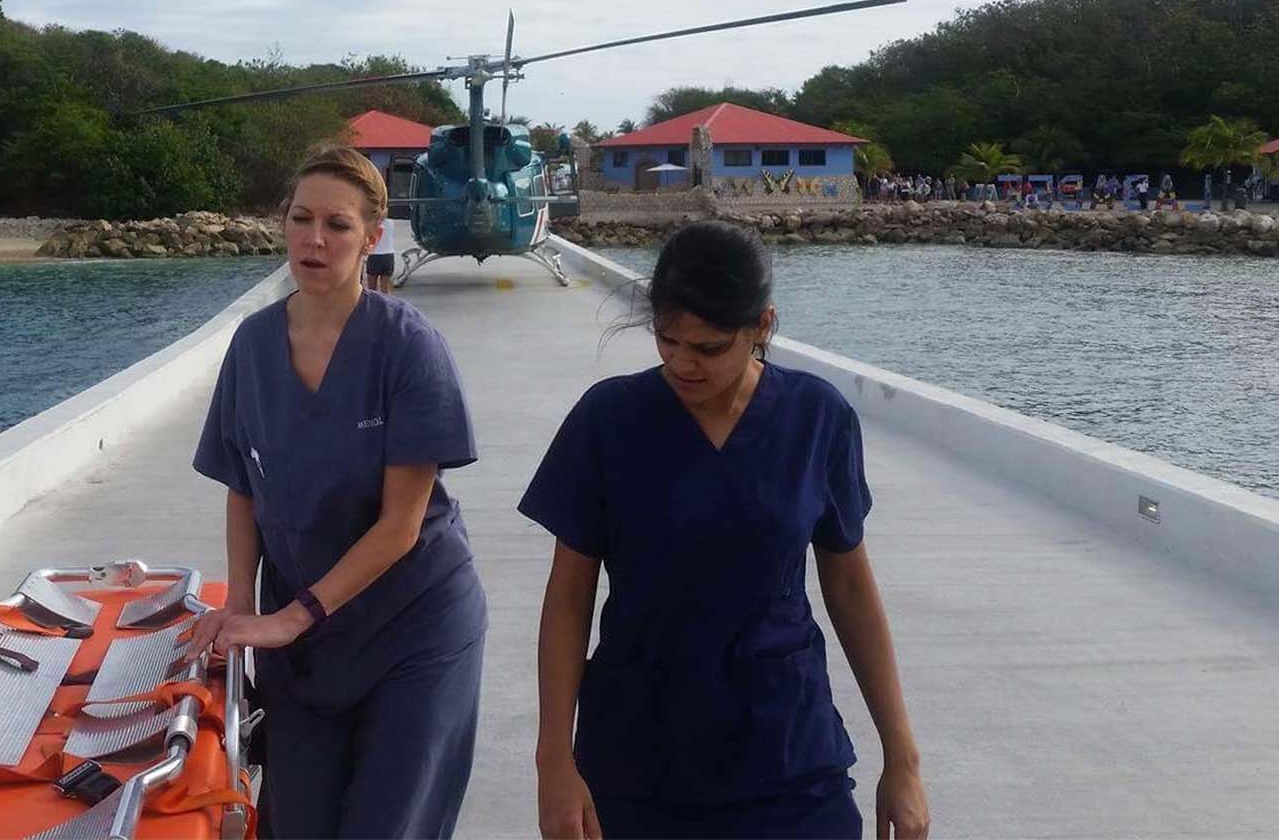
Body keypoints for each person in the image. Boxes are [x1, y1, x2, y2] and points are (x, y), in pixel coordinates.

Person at [521, 221, 929, 840]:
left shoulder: (817, 418)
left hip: (788, 748)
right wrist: (554, 761)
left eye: (709, 347)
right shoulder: (608, 421)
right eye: (667, 339)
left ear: (761, 327)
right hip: (638, 756)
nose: (683, 362)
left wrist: (902, 758)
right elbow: (569, 597)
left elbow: (849, 589)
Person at [189, 143, 487, 838]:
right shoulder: (252, 346)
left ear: (372, 238)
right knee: (295, 822)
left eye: (339, 225)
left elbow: (400, 527)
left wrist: (291, 617)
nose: (314, 239)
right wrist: (240, 608)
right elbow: (243, 485)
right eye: (301, 219)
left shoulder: (408, 346)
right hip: (304, 645)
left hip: (413, 628)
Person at [366, 205, 397, 293]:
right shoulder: (390, 223)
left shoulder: (370, 224)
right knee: (385, 289)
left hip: (374, 256)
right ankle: (386, 306)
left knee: (371, 290)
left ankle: (372, 306)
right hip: (388, 256)